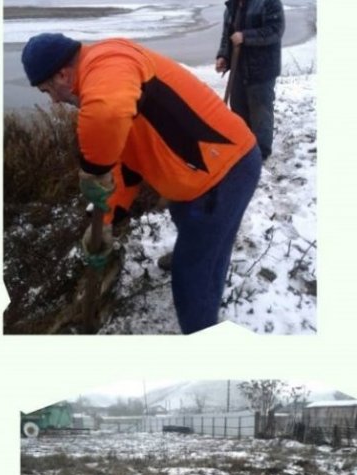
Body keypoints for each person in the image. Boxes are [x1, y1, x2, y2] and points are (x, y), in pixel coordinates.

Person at [20, 33, 262, 334]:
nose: (54, 101)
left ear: (62, 74)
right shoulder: (105, 75)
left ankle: (202, 333)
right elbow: (124, 163)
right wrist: (107, 219)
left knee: (192, 274)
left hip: (225, 172)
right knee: (199, 232)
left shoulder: (108, 62)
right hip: (199, 177)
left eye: (48, 91)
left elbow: (107, 114)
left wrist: (93, 169)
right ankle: (201, 252)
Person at [216, 0, 285, 161]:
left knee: (260, 114)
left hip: (262, 70)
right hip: (239, 69)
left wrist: (245, 36)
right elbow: (227, 35)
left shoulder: (269, 2)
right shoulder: (231, 5)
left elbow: (275, 30)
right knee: (239, 112)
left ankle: (261, 155)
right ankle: (244, 150)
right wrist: (223, 56)